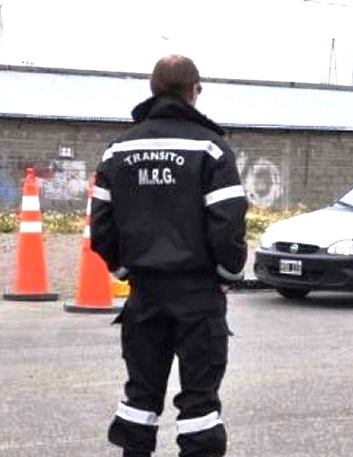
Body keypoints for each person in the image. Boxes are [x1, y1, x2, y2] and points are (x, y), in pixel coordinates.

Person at [91, 54, 248, 457]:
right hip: (198, 295)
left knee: (140, 398)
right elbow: (227, 224)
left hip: (143, 296)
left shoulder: (117, 152)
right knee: (199, 403)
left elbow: (101, 226)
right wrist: (228, 272)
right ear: (194, 92)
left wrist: (125, 269)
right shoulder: (211, 150)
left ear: (153, 90)